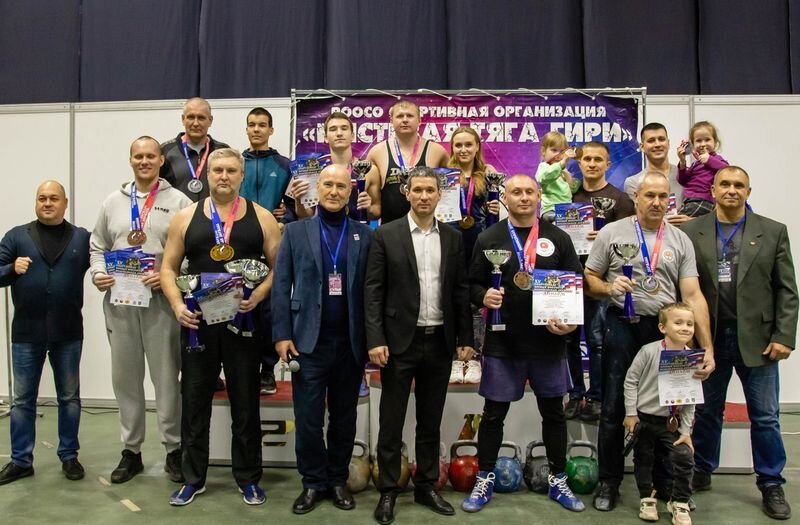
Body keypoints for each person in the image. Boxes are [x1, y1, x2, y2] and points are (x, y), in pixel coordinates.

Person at [583, 173, 715, 512]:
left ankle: (666, 485)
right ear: (636, 198)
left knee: (668, 407)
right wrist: (609, 288)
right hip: (622, 326)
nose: (656, 202)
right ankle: (609, 481)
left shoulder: (680, 240)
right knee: (613, 405)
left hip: (665, 334)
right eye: (649, 195)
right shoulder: (613, 232)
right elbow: (590, 278)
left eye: (662, 196)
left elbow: (692, 295)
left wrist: (706, 348)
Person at [160, 148, 281, 506]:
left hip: (244, 323)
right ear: (208, 175)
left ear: (241, 175)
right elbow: (168, 268)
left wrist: (258, 296)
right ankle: (192, 478)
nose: (224, 176)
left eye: (231, 170)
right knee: (194, 403)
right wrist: (177, 306)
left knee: (246, 404)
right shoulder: (185, 217)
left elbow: (279, 268)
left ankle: (249, 478)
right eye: (218, 170)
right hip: (198, 325)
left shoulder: (262, 218)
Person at [462, 174, 585, 513]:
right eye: (516, 192)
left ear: (539, 195)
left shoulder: (557, 237)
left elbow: (575, 284)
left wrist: (570, 323)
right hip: (503, 343)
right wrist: (483, 296)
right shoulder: (489, 237)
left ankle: (558, 479)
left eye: (530, 191)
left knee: (554, 414)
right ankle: (485, 478)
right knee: (493, 415)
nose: (524, 197)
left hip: (548, 343)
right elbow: (472, 284)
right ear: (505, 197)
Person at [681, 166, 796, 520]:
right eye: (725, 184)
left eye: (739, 185)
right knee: (706, 411)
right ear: (713, 191)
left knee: (765, 417)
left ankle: (771, 482)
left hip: (759, 341)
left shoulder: (773, 231)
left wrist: (784, 336)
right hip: (709, 338)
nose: (732, 190)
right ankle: (701, 469)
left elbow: (787, 291)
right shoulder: (691, 232)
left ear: (748, 191)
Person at [365, 166, 474, 525]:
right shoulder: (387, 234)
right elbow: (373, 291)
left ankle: (426, 485)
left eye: (430, 190)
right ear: (407, 193)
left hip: (439, 341)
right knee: (391, 420)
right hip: (399, 342)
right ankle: (388, 490)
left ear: (440, 194)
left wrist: (465, 338)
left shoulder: (453, 238)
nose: (424, 196)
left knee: (430, 420)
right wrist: (376, 338)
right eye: (418, 190)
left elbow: (460, 291)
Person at [272, 164, 374, 514]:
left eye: (340, 186)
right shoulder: (295, 232)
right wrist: (282, 334)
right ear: (318, 189)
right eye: (327, 184)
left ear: (350, 192)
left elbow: (373, 291)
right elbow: (281, 286)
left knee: (344, 418)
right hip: (307, 343)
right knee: (308, 419)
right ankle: (313, 482)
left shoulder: (364, 234)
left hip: (350, 343)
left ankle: (337, 480)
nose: (333, 191)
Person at [89, 137, 191, 484]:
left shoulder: (179, 201)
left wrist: (167, 275)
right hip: (120, 305)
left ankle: (174, 450)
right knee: (126, 379)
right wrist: (99, 274)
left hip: (161, 303)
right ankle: (131, 451)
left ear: (161, 160)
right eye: (138, 156)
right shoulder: (112, 202)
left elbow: (190, 251)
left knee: (166, 379)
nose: (144, 161)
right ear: (131, 160)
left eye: (150, 156)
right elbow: (97, 247)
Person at [0, 181, 90, 485]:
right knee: (23, 400)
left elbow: (104, 264)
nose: (47, 203)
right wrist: (11, 268)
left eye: (53, 198)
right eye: (42, 198)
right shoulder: (16, 236)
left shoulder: (82, 238)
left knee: (70, 398)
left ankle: (69, 456)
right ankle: (20, 461)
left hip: (68, 331)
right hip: (27, 332)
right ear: (36, 202)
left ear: (65, 203)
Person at [565, 142, 635, 421]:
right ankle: (575, 394)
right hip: (570, 278)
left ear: (608, 164)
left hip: (601, 282)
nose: (592, 164)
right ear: (579, 163)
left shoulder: (620, 199)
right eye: (587, 159)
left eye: (598, 159)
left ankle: (596, 397)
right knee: (569, 340)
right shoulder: (569, 196)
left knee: (596, 342)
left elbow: (630, 242)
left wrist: (606, 236)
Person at [624, 302, 697, 525]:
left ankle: (680, 502)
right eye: (678, 322)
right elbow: (631, 381)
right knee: (644, 459)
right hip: (645, 418)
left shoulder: (692, 358)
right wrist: (631, 413)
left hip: (671, 422)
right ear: (662, 327)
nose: (685, 328)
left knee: (684, 458)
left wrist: (685, 431)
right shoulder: (648, 351)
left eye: (690, 324)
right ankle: (647, 498)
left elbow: (691, 397)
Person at [239, 107, 292, 395]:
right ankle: (242, 368)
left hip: (273, 247)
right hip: (240, 247)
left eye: (262, 125)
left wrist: (285, 219)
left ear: (271, 130)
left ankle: (267, 370)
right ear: (246, 129)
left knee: (270, 311)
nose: (257, 129)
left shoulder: (285, 166)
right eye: (252, 124)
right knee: (240, 307)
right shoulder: (236, 163)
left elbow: (296, 208)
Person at [445, 126, 499, 384]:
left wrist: (497, 207)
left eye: (469, 144)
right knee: (454, 300)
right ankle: (455, 357)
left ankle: (475, 356)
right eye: (458, 145)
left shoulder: (488, 175)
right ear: (452, 148)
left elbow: (498, 212)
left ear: (477, 146)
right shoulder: (445, 176)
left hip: (479, 245)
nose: (464, 149)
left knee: (476, 300)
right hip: (451, 245)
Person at [366, 99, 449, 224]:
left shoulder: (438, 151)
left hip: (427, 229)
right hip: (390, 229)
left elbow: (450, 194)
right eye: (400, 116)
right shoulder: (376, 153)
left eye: (410, 116)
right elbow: (374, 207)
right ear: (391, 121)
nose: (405, 120)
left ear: (419, 120)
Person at [292, 111, 380, 221]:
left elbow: (376, 212)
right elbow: (305, 215)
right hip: (322, 230)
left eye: (344, 128)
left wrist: (369, 208)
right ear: (325, 137)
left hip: (356, 230)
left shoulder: (369, 170)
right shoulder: (313, 169)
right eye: (333, 129)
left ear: (352, 136)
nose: (339, 133)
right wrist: (299, 200)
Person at [160, 97, 230, 202]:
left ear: (210, 120)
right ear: (183, 119)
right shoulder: (165, 151)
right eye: (191, 117)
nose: (196, 123)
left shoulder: (223, 151)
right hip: (177, 212)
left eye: (201, 118)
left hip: (214, 212)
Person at [624, 123, 689, 226]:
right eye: (651, 141)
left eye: (661, 139)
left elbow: (709, 213)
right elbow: (638, 220)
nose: (657, 144)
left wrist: (692, 221)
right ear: (642, 147)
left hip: (687, 233)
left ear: (668, 143)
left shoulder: (688, 175)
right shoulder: (633, 182)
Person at [676, 121, 729, 218]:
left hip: (704, 201)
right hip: (689, 201)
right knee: (674, 218)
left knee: (673, 219)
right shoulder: (695, 164)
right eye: (699, 141)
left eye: (707, 140)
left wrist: (709, 160)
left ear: (715, 142)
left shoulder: (717, 159)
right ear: (693, 145)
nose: (703, 144)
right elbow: (682, 181)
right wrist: (682, 162)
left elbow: (727, 170)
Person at [535, 131, 578, 222]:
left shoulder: (563, 169)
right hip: (550, 210)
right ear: (543, 151)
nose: (558, 155)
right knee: (562, 219)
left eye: (562, 152)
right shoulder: (544, 167)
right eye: (554, 150)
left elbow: (572, 190)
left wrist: (570, 178)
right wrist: (561, 164)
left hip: (566, 209)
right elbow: (545, 177)